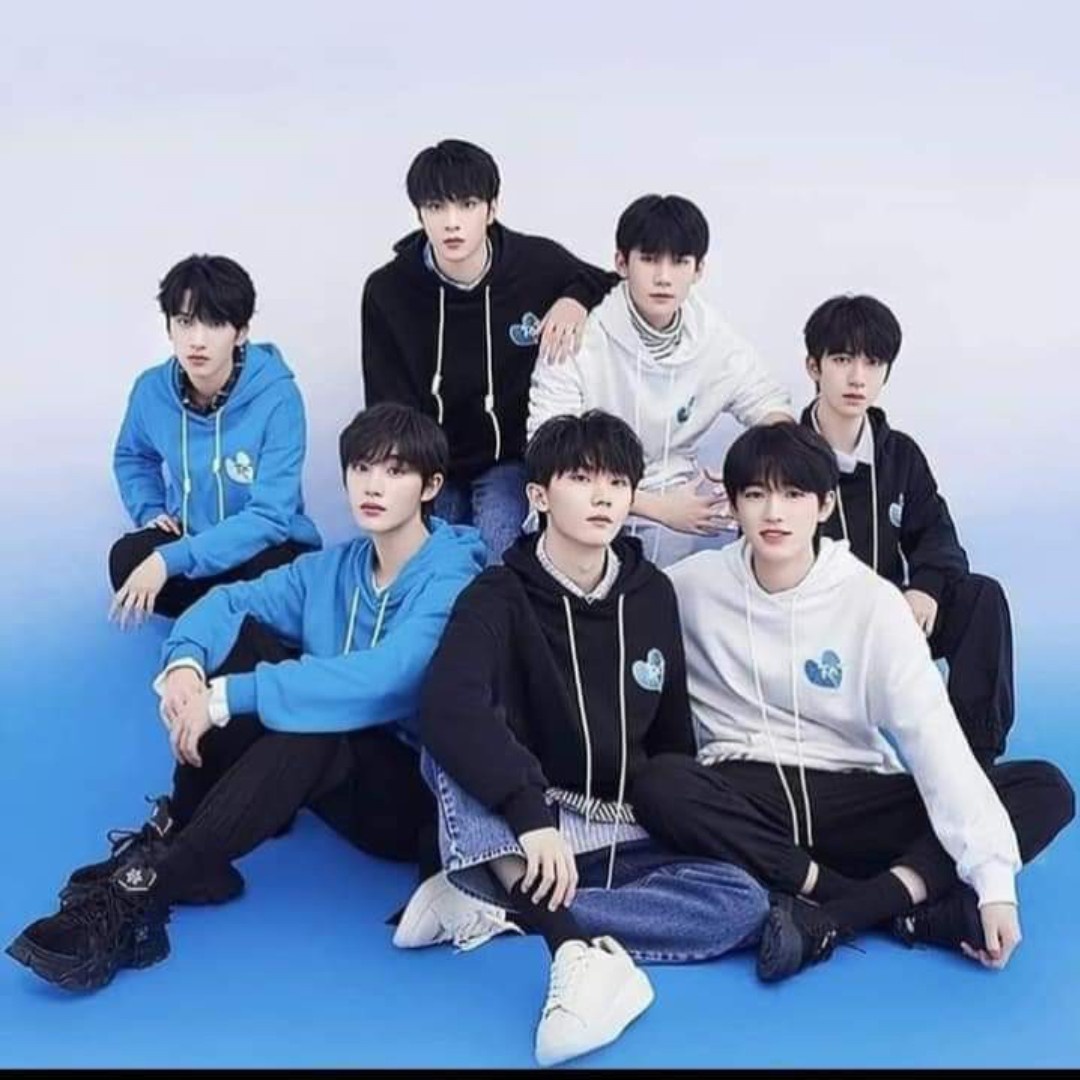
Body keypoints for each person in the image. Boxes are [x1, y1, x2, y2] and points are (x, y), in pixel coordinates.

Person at [7, 404, 487, 992]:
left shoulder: (452, 577)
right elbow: (230, 602)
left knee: (311, 729)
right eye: (361, 468)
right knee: (246, 637)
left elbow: (391, 677)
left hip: (409, 798)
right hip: (332, 771)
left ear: (431, 487)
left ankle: (146, 892)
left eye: (395, 471)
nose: (373, 486)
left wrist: (229, 696)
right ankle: (182, 827)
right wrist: (184, 666)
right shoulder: (336, 568)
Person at [631, 423, 1074, 983]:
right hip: (750, 798)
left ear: (825, 505)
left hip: (852, 795)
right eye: (756, 494)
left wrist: (994, 886)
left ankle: (836, 915)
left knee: (1043, 789)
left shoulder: (872, 603)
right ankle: (893, 908)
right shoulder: (688, 586)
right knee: (662, 783)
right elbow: (607, 612)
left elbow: (932, 738)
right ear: (736, 506)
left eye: (794, 494)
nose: (774, 512)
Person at [396, 410, 767, 1066]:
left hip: (619, 825)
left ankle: (497, 896)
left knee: (742, 903)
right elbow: (449, 706)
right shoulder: (497, 594)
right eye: (581, 478)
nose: (603, 497)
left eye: (618, 483)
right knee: (445, 750)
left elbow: (673, 734)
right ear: (538, 496)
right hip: (525, 818)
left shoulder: (653, 594)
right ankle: (571, 950)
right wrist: (529, 816)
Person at [361, 138, 619, 563]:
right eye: (436, 207)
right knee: (426, 561)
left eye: (467, 205)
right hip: (429, 463)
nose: (452, 223)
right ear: (419, 214)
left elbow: (608, 281)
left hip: (507, 459)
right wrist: (411, 478)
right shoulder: (388, 290)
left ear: (492, 208)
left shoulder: (534, 263)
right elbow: (386, 403)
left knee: (501, 552)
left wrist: (574, 299)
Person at [800, 293, 1013, 765]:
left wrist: (925, 588)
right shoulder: (784, 455)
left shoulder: (900, 455)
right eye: (842, 360)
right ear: (814, 366)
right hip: (819, 627)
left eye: (873, 363)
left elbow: (937, 534)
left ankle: (975, 763)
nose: (858, 377)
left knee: (981, 596)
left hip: (894, 620)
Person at [528, 194, 791, 567]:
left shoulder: (713, 337)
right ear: (622, 263)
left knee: (670, 584)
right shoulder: (579, 333)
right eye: (650, 259)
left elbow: (769, 405)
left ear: (698, 270)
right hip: (585, 488)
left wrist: (757, 468)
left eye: (679, 262)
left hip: (673, 497)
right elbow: (546, 448)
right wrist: (658, 508)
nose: (664, 277)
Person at [111, 253, 320, 624]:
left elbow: (271, 516)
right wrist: (151, 512)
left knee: (274, 573)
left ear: (240, 332)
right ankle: (224, 621)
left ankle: (218, 627)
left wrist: (168, 561)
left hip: (263, 547)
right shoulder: (151, 391)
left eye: (215, 323)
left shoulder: (279, 398)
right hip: (192, 539)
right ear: (169, 328)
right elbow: (133, 456)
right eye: (185, 322)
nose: (197, 340)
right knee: (127, 558)